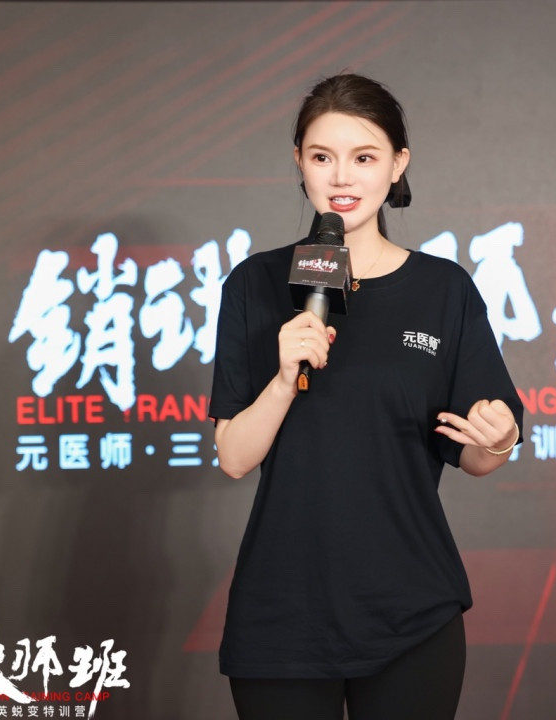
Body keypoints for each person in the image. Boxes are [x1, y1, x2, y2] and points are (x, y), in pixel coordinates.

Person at [208, 73, 523, 720]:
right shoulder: (255, 283)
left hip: (411, 608)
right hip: (283, 612)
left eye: (364, 157)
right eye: (322, 156)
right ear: (299, 162)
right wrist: (283, 378)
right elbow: (234, 457)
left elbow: (477, 454)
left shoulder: (443, 290)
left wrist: (500, 438)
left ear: (397, 164)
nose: (341, 177)